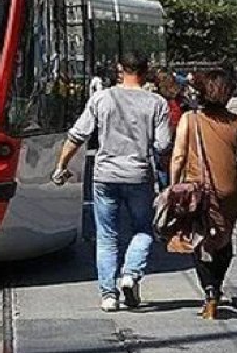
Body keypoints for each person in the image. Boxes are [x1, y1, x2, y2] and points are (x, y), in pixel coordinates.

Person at [53, 50, 171, 313]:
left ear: (120, 69)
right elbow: (163, 145)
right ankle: (130, 274)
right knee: (143, 229)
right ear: (145, 69)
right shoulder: (157, 103)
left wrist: (62, 165)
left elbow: (77, 135)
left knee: (106, 236)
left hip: (105, 175)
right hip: (139, 175)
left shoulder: (101, 99)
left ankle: (108, 295)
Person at [168, 68, 237, 320]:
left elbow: (178, 156)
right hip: (229, 192)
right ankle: (218, 285)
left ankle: (210, 291)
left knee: (199, 239)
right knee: (224, 238)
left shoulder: (190, 119)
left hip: (197, 191)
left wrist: (172, 186)